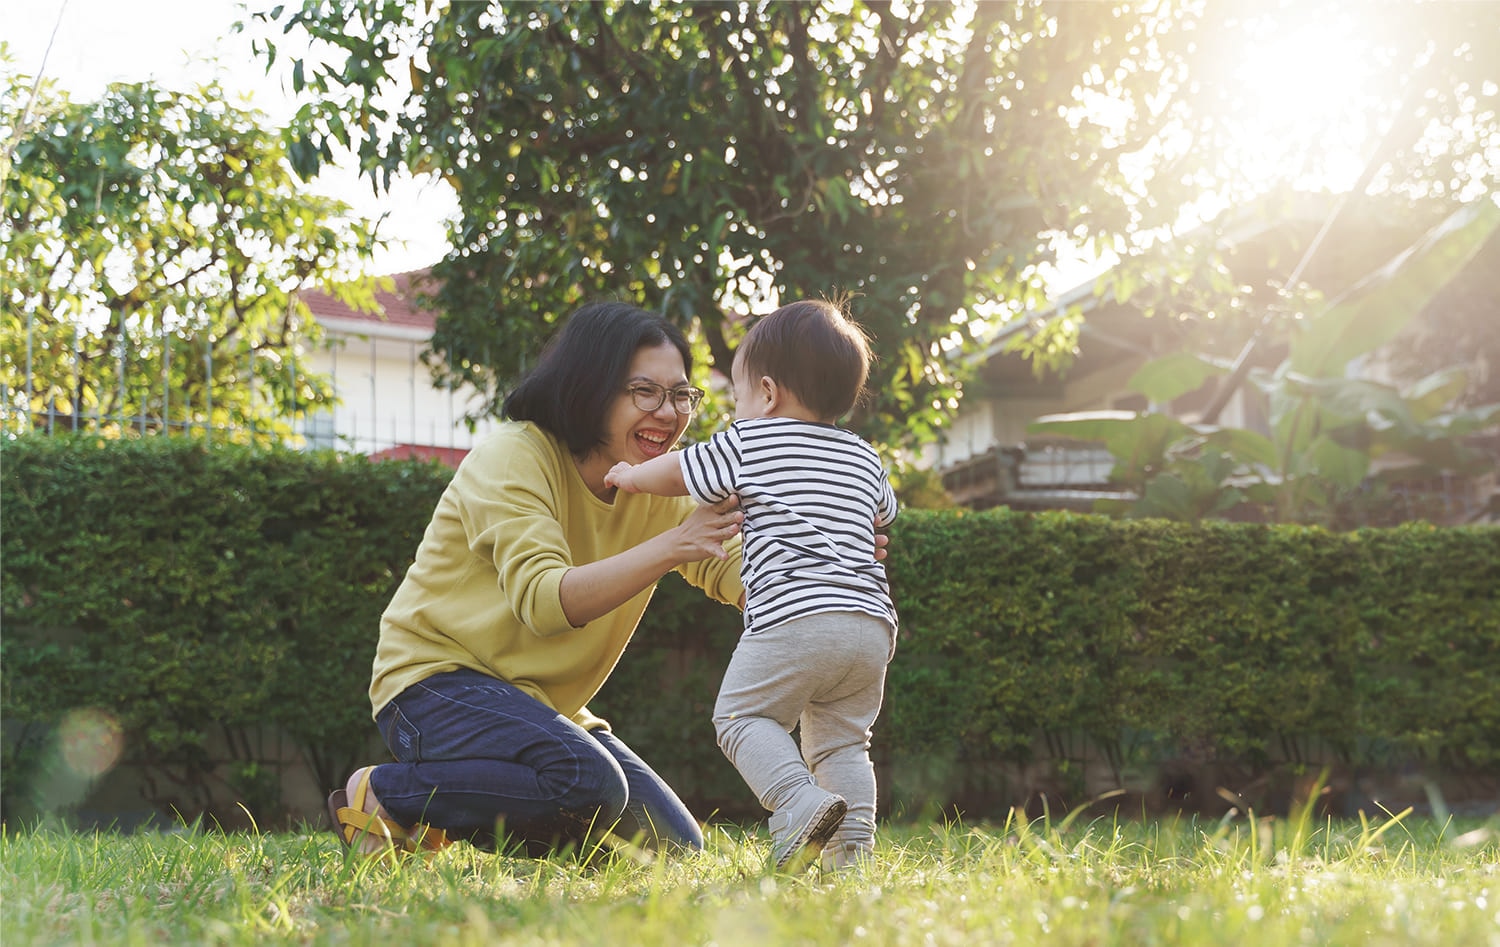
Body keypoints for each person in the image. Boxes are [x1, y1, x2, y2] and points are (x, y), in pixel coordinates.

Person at [326, 300, 751, 859]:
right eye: (644, 391)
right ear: (592, 388)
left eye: (680, 395)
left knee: (672, 849)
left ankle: (449, 818)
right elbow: (545, 601)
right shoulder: (514, 457)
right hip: (432, 686)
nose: (668, 413)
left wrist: (833, 559)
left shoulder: (663, 486)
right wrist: (671, 547)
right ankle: (387, 795)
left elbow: (738, 572)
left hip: (545, 712)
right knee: (589, 784)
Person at [606, 298, 898, 872]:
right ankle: (851, 857)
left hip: (794, 615)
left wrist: (631, 476)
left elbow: (682, 471)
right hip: (870, 626)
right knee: (843, 743)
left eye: (738, 396)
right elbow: (881, 516)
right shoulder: (865, 456)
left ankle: (797, 803)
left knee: (741, 718)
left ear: (766, 393)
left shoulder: (750, 442)